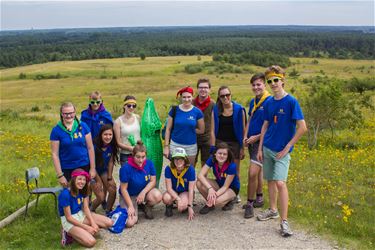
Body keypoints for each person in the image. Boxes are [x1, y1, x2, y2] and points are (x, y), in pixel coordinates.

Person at [256, 65, 307, 237]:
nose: (273, 83)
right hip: (268, 147)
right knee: (270, 180)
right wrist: (261, 147)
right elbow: (265, 124)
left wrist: (288, 147)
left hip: (282, 152)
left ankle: (284, 222)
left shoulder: (291, 101)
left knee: (280, 183)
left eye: (276, 80)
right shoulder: (269, 102)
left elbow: (302, 127)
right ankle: (272, 210)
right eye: (270, 81)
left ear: (282, 81)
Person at [58, 168, 113, 247]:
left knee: (109, 223)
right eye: (79, 179)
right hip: (69, 220)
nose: (82, 182)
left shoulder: (83, 190)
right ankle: (67, 232)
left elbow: (86, 208)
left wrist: (93, 223)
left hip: (80, 214)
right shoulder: (65, 194)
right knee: (91, 242)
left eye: (84, 180)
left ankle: (81, 230)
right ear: (73, 179)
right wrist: (87, 227)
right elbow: (69, 218)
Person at [243, 73, 271, 218]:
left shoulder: (270, 101)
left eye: (259, 84)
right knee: (258, 172)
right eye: (253, 85)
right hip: (252, 142)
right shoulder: (254, 101)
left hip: (262, 143)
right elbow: (250, 119)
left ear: (264, 85)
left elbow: (271, 126)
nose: (256, 87)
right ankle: (259, 197)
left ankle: (249, 203)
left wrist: (256, 137)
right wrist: (245, 136)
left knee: (252, 173)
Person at [210, 86, 246, 202]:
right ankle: (223, 191)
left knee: (235, 170)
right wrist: (212, 147)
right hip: (220, 143)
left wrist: (242, 148)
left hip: (235, 144)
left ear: (231, 95)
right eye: (222, 96)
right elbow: (212, 130)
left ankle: (235, 193)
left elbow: (244, 129)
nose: (225, 97)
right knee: (219, 169)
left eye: (227, 95)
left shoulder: (239, 109)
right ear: (219, 98)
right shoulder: (216, 110)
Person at [51, 102, 96, 187]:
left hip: (84, 165)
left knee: (85, 195)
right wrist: (60, 175)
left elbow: (90, 148)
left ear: (74, 112)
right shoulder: (56, 131)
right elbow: (55, 154)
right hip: (67, 168)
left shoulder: (83, 126)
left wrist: (92, 168)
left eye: (71, 113)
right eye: (66, 114)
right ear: (61, 114)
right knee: (70, 196)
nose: (68, 116)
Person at [119, 141, 162, 227]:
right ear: (133, 155)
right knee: (129, 223)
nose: (141, 160)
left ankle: (146, 206)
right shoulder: (125, 168)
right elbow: (123, 189)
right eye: (138, 157)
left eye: (143, 157)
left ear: (146, 155)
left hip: (142, 194)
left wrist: (143, 192)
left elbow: (153, 181)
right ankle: (132, 207)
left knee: (157, 195)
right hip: (129, 195)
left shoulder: (149, 163)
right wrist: (130, 206)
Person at [163, 86, 205, 165]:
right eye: (184, 97)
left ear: (192, 97)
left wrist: (189, 130)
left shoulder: (197, 112)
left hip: (191, 146)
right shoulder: (174, 110)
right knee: (175, 169)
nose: (186, 99)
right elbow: (168, 129)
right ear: (181, 98)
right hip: (175, 144)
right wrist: (166, 146)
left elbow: (201, 130)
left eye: (189, 97)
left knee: (189, 169)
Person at [196, 142, 240, 214]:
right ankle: (210, 205)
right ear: (215, 154)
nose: (222, 156)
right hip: (219, 184)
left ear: (227, 156)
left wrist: (214, 195)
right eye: (220, 153)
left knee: (217, 201)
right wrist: (210, 189)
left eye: (224, 154)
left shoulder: (232, 166)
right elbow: (200, 175)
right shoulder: (212, 159)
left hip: (231, 188)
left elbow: (226, 186)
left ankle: (231, 199)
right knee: (199, 183)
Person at [90, 124, 119, 215]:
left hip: (103, 171)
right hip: (92, 172)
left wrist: (109, 178)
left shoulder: (112, 145)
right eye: (105, 134)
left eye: (110, 134)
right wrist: (99, 181)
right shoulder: (94, 147)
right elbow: (92, 166)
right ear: (101, 135)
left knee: (112, 188)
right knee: (101, 197)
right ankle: (91, 209)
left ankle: (108, 210)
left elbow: (111, 162)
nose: (108, 137)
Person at [162, 147, 196, 220]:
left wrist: (190, 206)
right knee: (166, 198)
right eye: (176, 158)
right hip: (174, 191)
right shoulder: (168, 168)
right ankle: (169, 205)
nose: (178, 161)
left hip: (185, 191)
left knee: (182, 207)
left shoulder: (190, 169)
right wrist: (178, 199)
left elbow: (191, 189)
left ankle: (185, 205)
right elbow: (169, 188)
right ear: (173, 159)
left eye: (181, 158)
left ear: (185, 159)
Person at [193, 78, 215, 167]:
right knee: (190, 165)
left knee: (205, 166)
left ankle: (202, 181)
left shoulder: (213, 104)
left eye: (205, 87)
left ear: (209, 89)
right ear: (197, 89)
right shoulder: (191, 103)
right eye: (201, 87)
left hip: (207, 139)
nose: (203, 90)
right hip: (193, 138)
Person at [114, 95, 141, 165]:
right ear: (124, 106)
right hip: (126, 155)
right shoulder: (118, 122)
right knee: (127, 175)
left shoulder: (138, 118)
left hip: (139, 154)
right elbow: (118, 143)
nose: (131, 108)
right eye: (129, 106)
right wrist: (130, 148)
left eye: (134, 106)